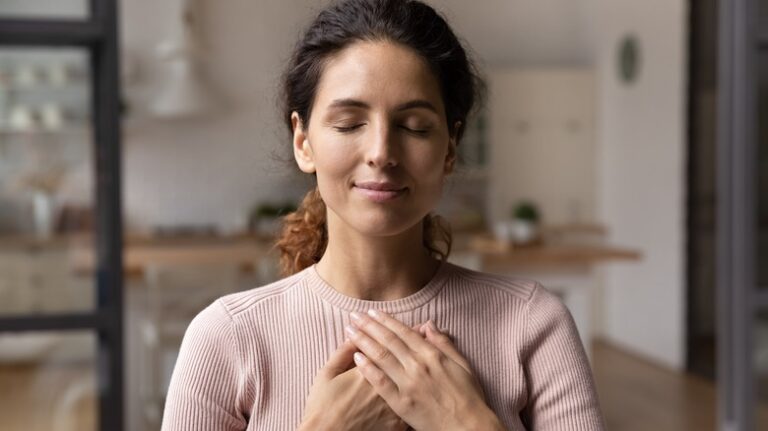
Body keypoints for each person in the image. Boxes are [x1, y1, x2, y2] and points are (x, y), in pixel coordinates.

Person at [161, 0, 606, 429]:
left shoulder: (533, 324)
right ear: (303, 141)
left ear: (450, 147)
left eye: (414, 127)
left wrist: (466, 423)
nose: (381, 153)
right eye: (350, 123)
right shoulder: (228, 338)